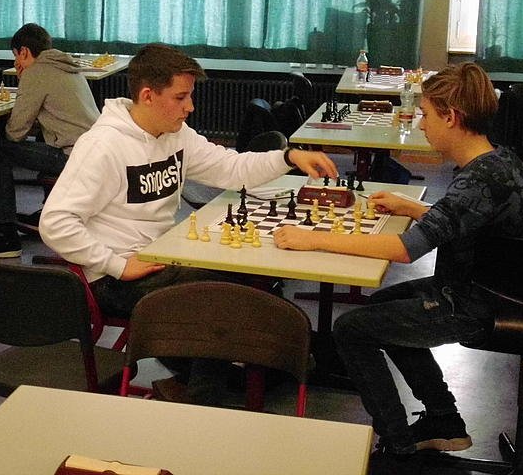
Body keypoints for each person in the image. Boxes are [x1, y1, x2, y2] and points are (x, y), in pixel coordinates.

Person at [39, 43, 337, 402]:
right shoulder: (102, 145)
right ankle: (201, 404)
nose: (190, 107)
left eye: (190, 96)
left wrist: (288, 157)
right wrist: (117, 265)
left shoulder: (175, 134)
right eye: (180, 97)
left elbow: (232, 168)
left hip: (160, 258)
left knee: (245, 279)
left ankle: (216, 376)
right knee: (219, 295)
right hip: (115, 278)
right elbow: (55, 222)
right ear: (147, 96)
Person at [273, 62, 523, 459]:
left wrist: (312, 239)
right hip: (495, 286)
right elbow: (466, 219)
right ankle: (444, 421)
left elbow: (405, 249)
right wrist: (411, 207)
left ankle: (397, 444)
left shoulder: (476, 180)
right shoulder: (500, 160)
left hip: (478, 304)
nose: (421, 124)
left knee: (352, 329)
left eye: (427, 114)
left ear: (451, 117)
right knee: (385, 305)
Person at [0, 23, 100, 258]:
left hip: (73, 158)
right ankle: (48, 211)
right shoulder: (68, 67)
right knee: (40, 136)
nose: (17, 63)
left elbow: (15, 133)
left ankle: (4, 234)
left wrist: (25, 81)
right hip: (94, 153)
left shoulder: (36, 72)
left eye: (16, 56)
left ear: (24, 51)